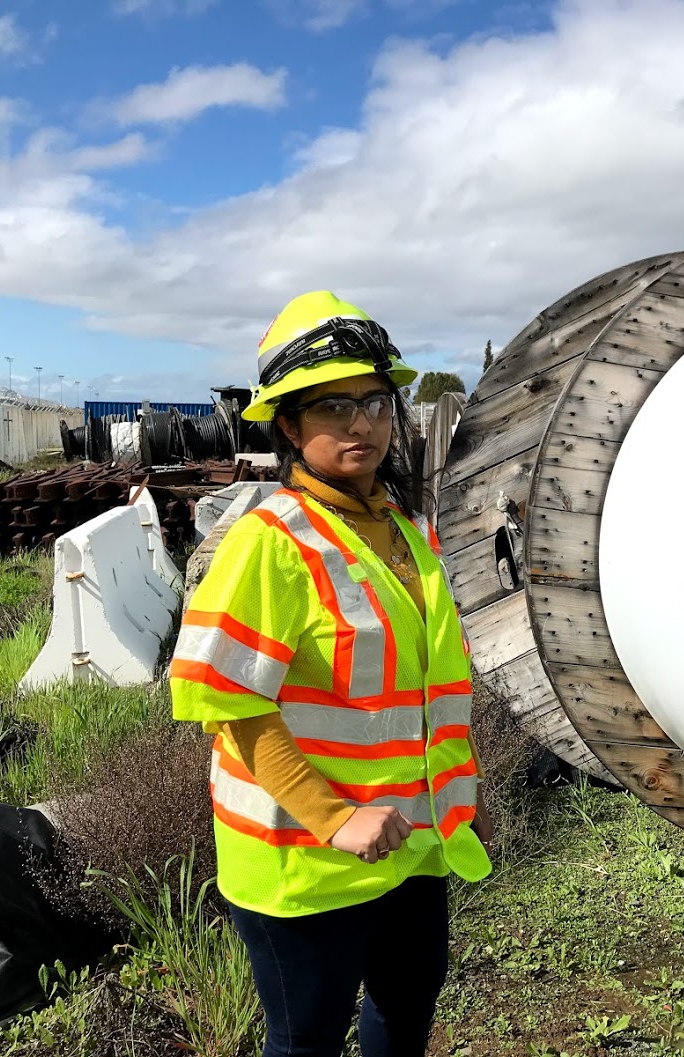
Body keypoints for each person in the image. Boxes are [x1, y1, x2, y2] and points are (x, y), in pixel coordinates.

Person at [170, 291, 492, 1057]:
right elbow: (227, 700)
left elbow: (421, 687)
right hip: (301, 853)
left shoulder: (411, 533)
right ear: (288, 424)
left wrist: (447, 798)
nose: (362, 423)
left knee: (406, 1011)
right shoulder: (266, 543)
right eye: (334, 406)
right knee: (306, 1038)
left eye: (377, 402)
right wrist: (333, 814)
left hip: (410, 839)